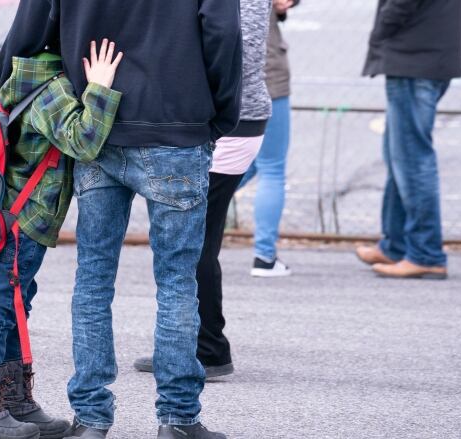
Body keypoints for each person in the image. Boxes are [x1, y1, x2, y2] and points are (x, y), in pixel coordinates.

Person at [0, 1, 243, 438]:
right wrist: (218, 113)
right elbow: (222, 34)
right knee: (177, 282)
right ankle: (178, 419)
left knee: (93, 280)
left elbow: (26, 37)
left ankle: (91, 418)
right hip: (177, 128)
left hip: (97, 122)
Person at [0, 34, 124, 439]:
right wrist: (99, 87)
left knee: (15, 301)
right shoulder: (50, 89)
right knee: (1, 304)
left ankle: (13, 401)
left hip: (18, 213)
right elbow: (84, 140)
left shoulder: (27, 72)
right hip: (26, 216)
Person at [133, 0, 273, 380]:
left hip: (229, 122)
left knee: (194, 243)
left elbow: (236, 49)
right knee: (193, 240)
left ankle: (208, 350)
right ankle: (187, 346)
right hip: (227, 119)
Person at [356, 0, 461, 279]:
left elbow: (401, 4)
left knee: (412, 161)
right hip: (426, 53)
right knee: (400, 156)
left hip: (414, 57)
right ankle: (396, 245)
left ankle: (425, 253)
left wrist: (380, 32)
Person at [238, 0, 300, 278]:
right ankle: (265, 256)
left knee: (234, 162)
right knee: (271, 167)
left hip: (218, 74)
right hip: (265, 75)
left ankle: (186, 229)